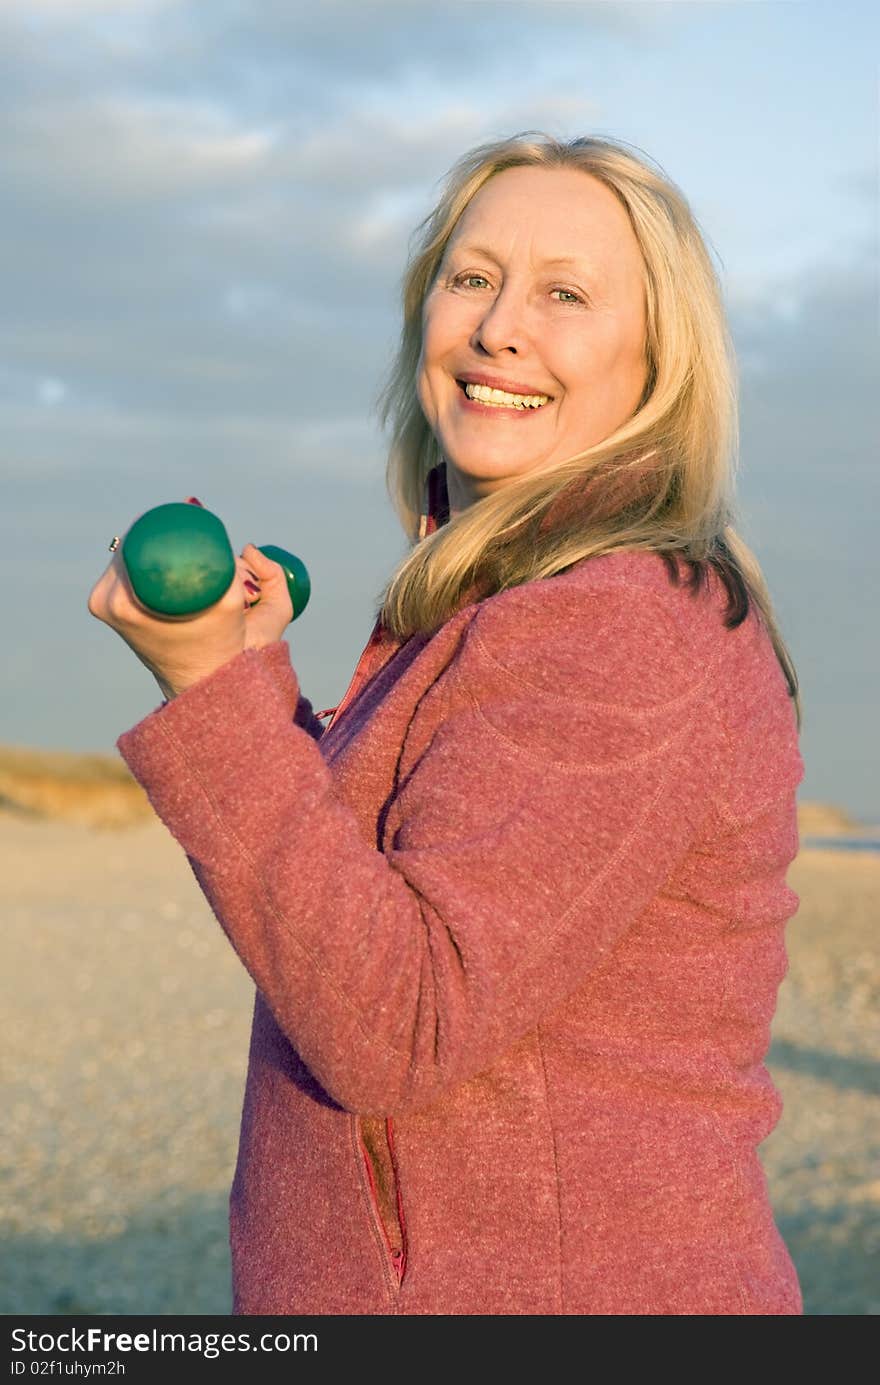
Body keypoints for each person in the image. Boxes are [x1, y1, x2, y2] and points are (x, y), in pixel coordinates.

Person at [88, 132, 805, 1315]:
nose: (498, 326)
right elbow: (388, 880)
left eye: (564, 294)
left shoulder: (615, 623)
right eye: (471, 278)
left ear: (657, 365)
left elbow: (396, 1021)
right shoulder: (507, 602)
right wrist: (257, 687)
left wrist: (206, 691)